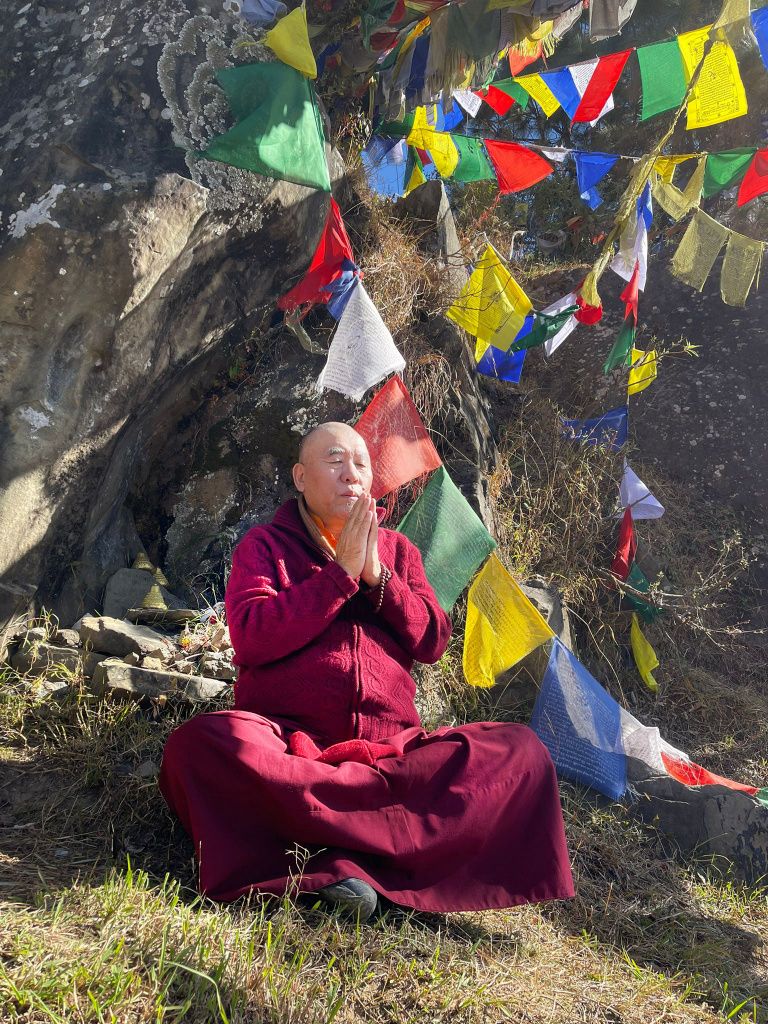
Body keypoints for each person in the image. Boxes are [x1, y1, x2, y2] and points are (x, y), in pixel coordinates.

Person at [160, 421, 574, 920]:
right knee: (199, 746)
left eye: (361, 463)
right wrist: (338, 578)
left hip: (393, 754)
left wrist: (377, 576)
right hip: (293, 747)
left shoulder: (399, 551)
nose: (350, 473)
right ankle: (375, 863)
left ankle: (327, 861)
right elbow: (252, 636)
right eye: (334, 460)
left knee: (521, 754)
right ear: (299, 476)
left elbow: (432, 640)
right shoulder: (264, 547)